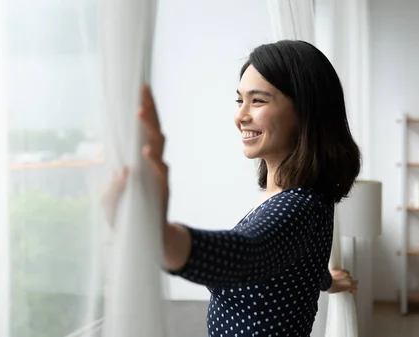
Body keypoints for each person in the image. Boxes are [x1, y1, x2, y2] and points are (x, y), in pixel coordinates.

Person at [104, 40, 362, 337]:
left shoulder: (298, 205)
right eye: (240, 100)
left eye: (258, 101)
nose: (241, 116)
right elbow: (295, 264)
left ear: (305, 111)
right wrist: (327, 280)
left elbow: (246, 254)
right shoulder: (300, 197)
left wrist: (157, 233)